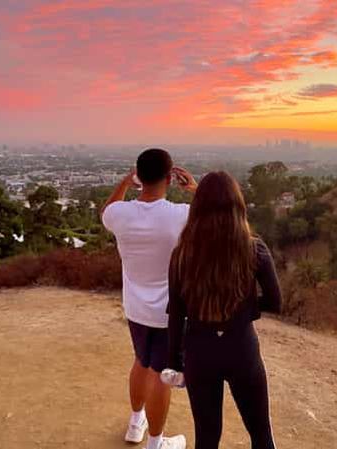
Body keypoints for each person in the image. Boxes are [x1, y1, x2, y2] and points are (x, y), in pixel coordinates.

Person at [165, 171, 282, 449]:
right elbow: (276, 303)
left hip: (199, 351)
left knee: (206, 437)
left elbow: (176, 313)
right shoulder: (254, 249)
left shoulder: (182, 254)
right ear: (238, 205)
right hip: (241, 348)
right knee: (261, 435)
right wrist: (243, 310)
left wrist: (174, 360)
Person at [101, 148, 197, 449]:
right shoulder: (180, 216)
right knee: (162, 374)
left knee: (141, 363)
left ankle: (135, 424)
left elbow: (108, 209)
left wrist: (125, 183)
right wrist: (195, 188)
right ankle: (156, 444)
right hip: (170, 313)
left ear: (139, 176)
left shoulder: (120, 215)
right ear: (170, 178)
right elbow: (224, 212)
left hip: (135, 309)